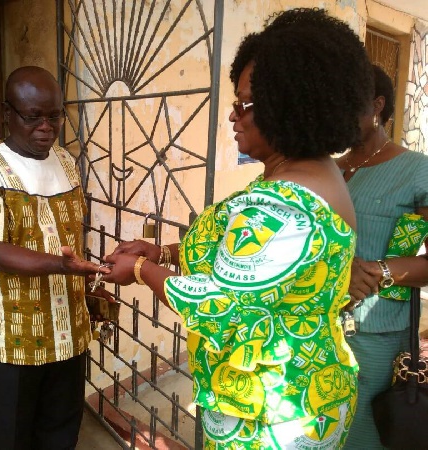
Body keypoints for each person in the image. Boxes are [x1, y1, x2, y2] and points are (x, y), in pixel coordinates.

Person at [101, 8, 375, 449]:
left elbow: (218, 305)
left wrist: (137, 272)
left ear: (287, 103)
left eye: (243, 103)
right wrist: (164, 253)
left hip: (273, 411)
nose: (233, 114)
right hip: (303, 386)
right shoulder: (311, 175)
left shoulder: (283, 203)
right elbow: (246, 258)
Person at [0, 66, 108, 449]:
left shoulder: (66, 162)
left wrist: (88, 284)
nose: (46, 127)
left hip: (69, 329)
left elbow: (71, 236)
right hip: (12, 336)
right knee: (10, 435)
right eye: (32, 116)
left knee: (60, 428)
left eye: (55, 115)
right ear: (7, 113)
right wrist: (62, 266)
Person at [336, 64, 428, 449]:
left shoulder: (417, 171)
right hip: (314, 332)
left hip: (375, 338)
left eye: (347, 105)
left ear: (377, 106)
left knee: (362, 438)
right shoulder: (327, 169)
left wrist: (380, 271)